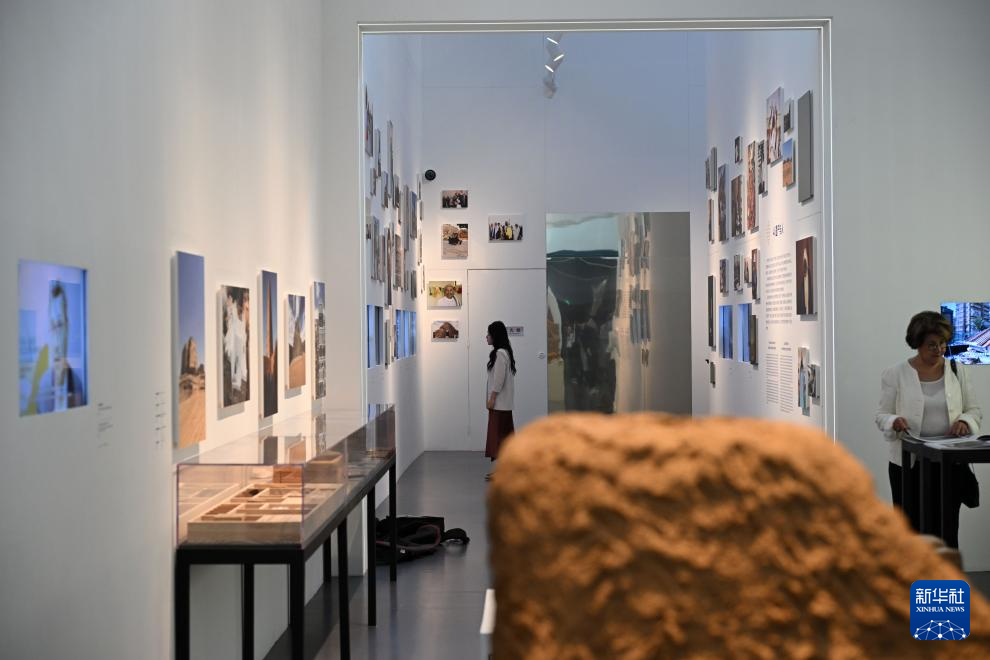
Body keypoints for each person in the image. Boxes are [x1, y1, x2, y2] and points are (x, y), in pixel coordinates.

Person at [876, 311, 982, 547]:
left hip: (948, 463)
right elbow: (881, 415)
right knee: (909, 530)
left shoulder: (957, 370)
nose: (939, 350)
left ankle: (944, 571)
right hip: (908, 465)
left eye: (943, 344)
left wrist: (965, 421)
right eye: (932, 345)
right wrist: (894, 420)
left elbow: (973, 409)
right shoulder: (896, 373)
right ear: (917, 344)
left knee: (946, 529)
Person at [36, 281, 86, 413]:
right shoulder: (43, 386)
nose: (56, 337)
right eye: (53, 327)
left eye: (60, 325)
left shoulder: (77, 383)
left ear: (67, 328)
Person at [485, 321, 516, 480]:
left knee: (498, 439)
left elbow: (498, 380)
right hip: (504, 405)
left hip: (499, 405)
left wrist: (492, 398)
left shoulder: (500, 354)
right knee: (504, 438)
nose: (486, 337)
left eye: (489, 334)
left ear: (495, 336)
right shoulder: (505, 352)